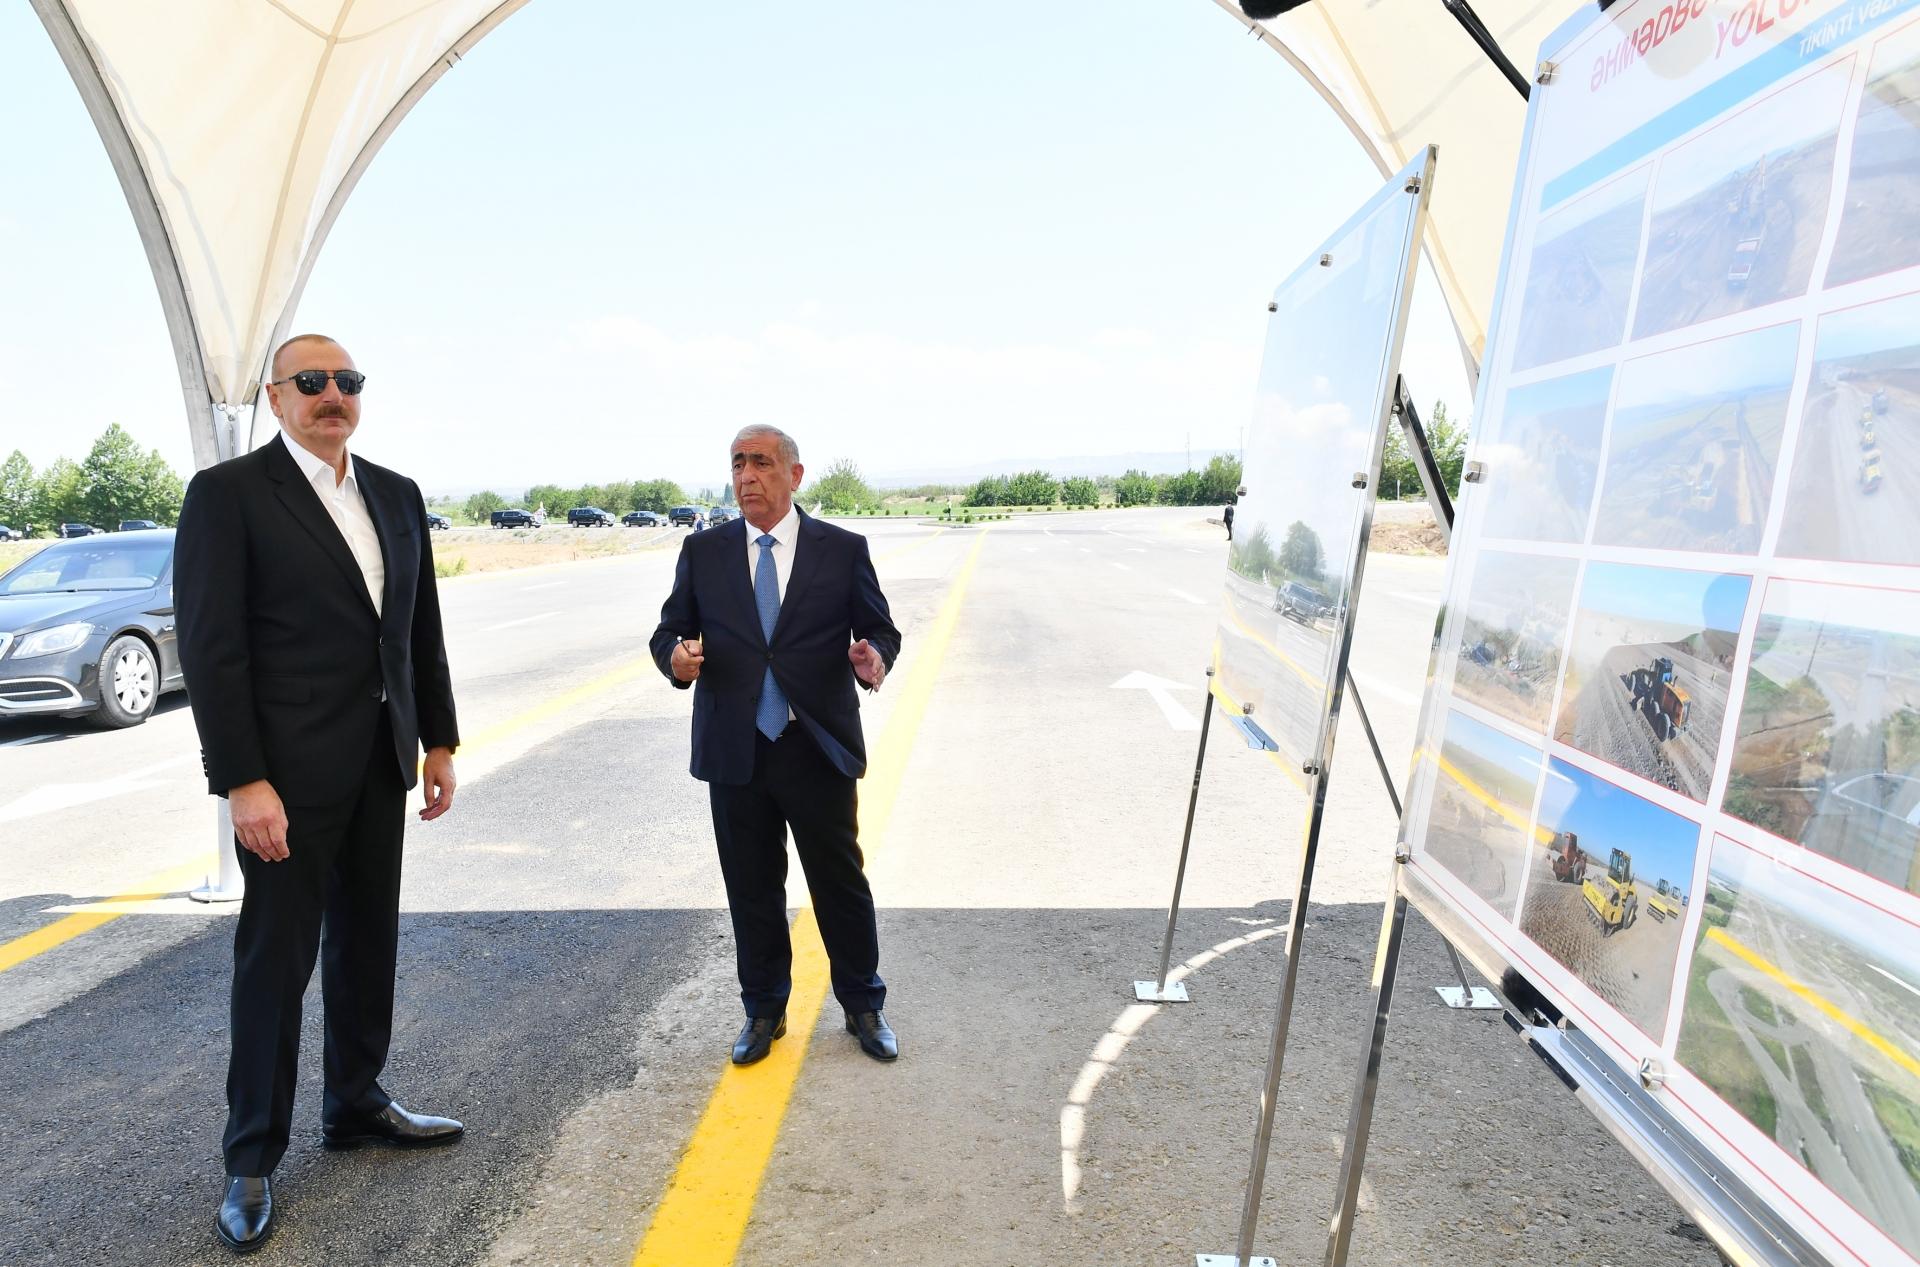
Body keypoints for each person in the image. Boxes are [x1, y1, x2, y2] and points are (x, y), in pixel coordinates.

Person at [175, 334, 464, 1254]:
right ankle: (251, 1157)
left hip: (382, 760)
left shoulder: (396, 494)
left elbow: (418, 629)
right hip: (286, 780)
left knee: (367, 941)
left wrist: (439, 738)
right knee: (275, 962)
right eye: (312, 381)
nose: (332, 393)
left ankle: (356, 1102)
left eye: (346, 380)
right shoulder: (228, 496)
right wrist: (242, 779)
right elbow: (213, 649)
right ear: (276, 397)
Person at [651, 425, 903, 1065]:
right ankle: (764, 1011)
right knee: (752, 886)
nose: (746, 476)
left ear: (794, 475)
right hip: (736, 749)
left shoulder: (841, 549)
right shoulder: (703, 551)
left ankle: (863, 1005)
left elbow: (881, 630)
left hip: (814, 744)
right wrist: (676, 658)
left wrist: (873, 658)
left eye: (761, 462)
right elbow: (669, 630)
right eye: (738, 463)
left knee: (838, 882)